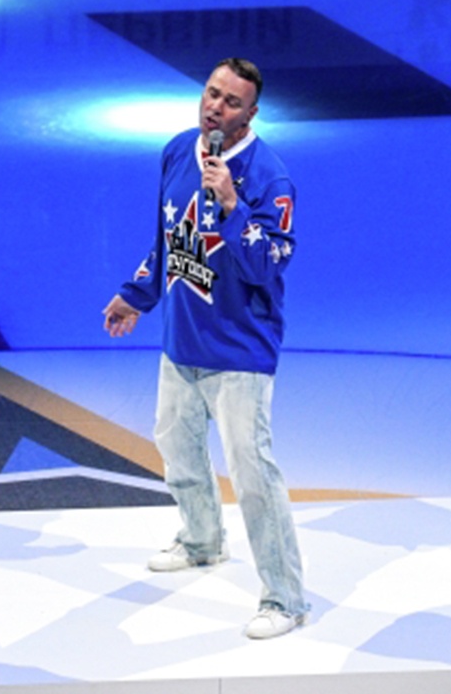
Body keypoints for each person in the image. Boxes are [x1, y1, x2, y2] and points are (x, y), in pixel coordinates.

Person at [102, 58, 308, 639]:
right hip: (182, 341)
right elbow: (168, 238)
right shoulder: (176, 151)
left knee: (253, 474)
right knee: (176, 445)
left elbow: (268, 265)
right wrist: (136, 295)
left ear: (251, 114)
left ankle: (287, 598)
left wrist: (232, 206)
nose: (215, 107)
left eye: (231, 102)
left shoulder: (270, 178)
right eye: (212, 93)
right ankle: (201, 539)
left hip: (240, 352)